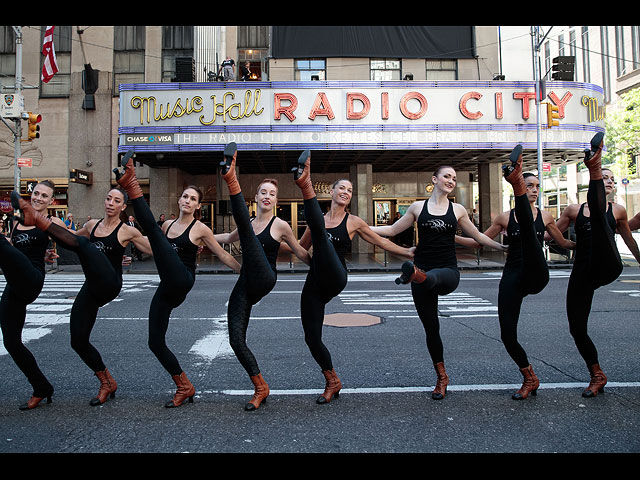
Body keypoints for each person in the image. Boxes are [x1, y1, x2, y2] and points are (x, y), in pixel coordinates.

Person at [113, 150, 241, 408]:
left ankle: (131, 183)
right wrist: (119, 249)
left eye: (193, 198)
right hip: (166, 284)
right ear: (179, 199)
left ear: (197, 205)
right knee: (154, 342)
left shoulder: (200, 229)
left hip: (182, 279)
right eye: (184, 196)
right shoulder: (167, 225)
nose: (187, 200)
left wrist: (245, 273)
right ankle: (184, 385)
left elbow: (222, 254)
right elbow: (152, 248)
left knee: (151, 230)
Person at [370, 165, 506, 400]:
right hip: (420, 268)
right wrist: (359, 227)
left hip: (447, 273)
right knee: (431, 329)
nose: (451, 180)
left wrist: (502, 247)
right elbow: (392, 230)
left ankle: (414, 275)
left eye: (454, 178)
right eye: (447, 176)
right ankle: (442, 377)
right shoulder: (417, 208)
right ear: (435, 179)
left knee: (431, 278)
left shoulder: (459, 210)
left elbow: (478, 237)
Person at [292, 150, 414, 404]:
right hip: (316, 280)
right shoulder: (317, 221)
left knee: (322, 238)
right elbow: (301, 249)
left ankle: (306, 181)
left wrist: (407, 252)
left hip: (337, 275)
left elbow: (381, 241)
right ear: (333, 193)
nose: (346, 192)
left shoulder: (354, 222)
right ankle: (332, 380)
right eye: (342, 188)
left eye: (349, 190)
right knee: (311, 337)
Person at [456, 145, 575, 400]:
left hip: (535, 271)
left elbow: (562, 243)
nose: (534, 190)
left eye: (535, 186)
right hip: (513, 274)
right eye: (528, 186)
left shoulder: (546, 216)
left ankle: (515, 180)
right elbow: (479, 241)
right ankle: (529, 376)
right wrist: (450, 238)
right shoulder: (503, 218)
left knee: (533, 242)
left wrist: (593, 242)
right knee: (507, 334)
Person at [216, 143, 311, 411]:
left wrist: (320, 266)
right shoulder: (247, 225)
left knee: (246, 230)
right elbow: (224, 238)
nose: (267, 196)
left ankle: (230, 176)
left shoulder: (279, 225)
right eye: (263, 192)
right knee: (235, 339)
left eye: (272, 194)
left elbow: (299, 252)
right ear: (256, 197)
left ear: (276, 201)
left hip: (266, 276)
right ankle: (260, 386)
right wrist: (197, 238)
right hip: (246, 282)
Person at [552, 132, 640, 397]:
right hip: (584, 269)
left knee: (602, 221)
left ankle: (594, 163)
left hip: (608, 263)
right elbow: (551, 234)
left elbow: (629, 239)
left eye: (611, 179)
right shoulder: (573, 211)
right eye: (606, 177)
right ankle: (597, 374)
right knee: (576, 327)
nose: (610, 182)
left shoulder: (619, 210)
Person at [1, 181, 60, 410]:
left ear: (51, 201)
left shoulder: (50, 222)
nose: (39, 198)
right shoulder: (15, 223)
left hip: (32, 278)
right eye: (35, 193)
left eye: (44, 196)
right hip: (14, 283)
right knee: (11, 342)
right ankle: (41, 387)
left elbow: (75, 240)